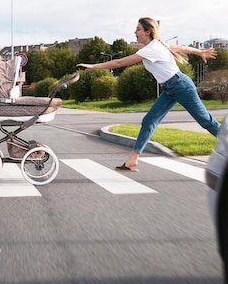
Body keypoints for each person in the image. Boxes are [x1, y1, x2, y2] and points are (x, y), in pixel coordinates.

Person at [77, 17, 220, 171]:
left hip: (181, 86)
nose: (135, 32)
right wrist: (200, 52)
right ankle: (133, 159)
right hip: (170, 89)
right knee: (149, 121)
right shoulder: (157, 45)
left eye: (138, 29)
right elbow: (183, 49)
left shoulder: (152, 48)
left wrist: (93, 66)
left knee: (206, 121)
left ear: (147, 31)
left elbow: (119, 63)